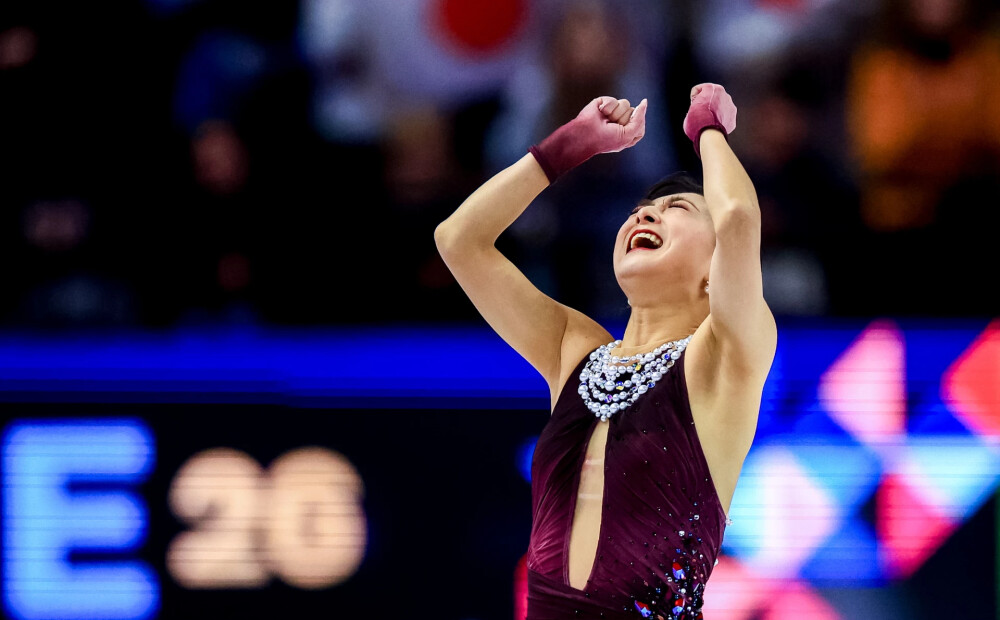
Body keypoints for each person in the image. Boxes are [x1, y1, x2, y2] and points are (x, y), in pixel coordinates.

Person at [435, 84, 776, 619]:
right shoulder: (574, 349)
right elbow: (459, 239)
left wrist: (708, 129)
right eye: (641, 209)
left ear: (717, 270)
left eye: (676, 208)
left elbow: (737, 220)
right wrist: (567, 147)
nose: (646, 216)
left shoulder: (722, 359)